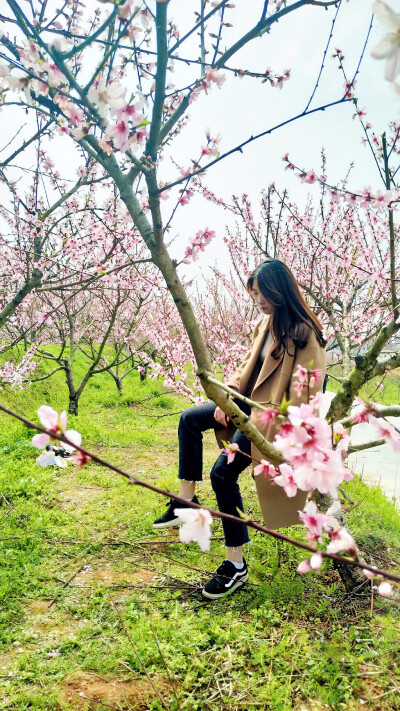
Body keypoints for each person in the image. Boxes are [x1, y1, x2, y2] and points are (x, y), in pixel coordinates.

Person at [152, 259, 326, 599]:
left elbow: (305, 397)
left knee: (222, 475)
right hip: (243, 407)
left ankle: (236, 564)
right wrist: (224, 399)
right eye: (255, 294)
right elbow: (245, 370)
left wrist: (255, 421)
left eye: (263, 293)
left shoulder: (306, 335)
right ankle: (186, 502)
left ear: (280, 290)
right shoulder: (266, 324)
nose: (258, 300)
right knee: (189, 419)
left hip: (270, 421)